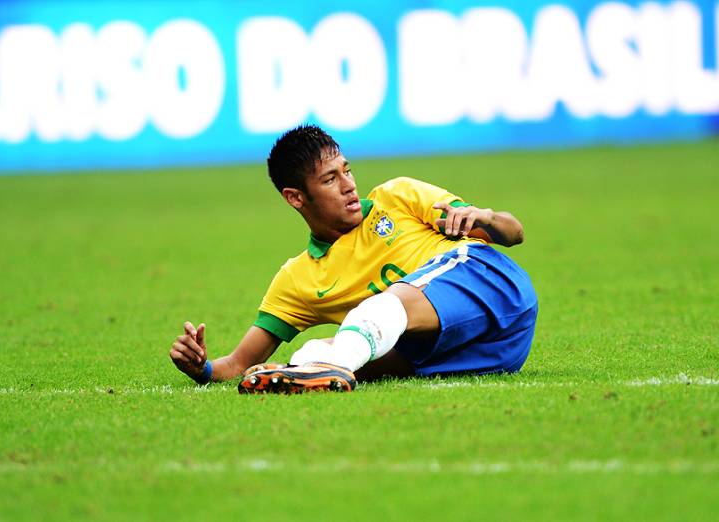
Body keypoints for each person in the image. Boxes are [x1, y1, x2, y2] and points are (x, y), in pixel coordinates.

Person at [169, 125, 537, 393]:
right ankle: (317, 367)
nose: (348, 185)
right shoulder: (299, 279)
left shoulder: (398, 197)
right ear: (296, 198)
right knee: (306, 356)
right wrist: (201, 368)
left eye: (347, 170)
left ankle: (332, 366)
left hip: (492, 283)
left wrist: (485, 217)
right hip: (486, 353)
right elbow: (236, 365)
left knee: (375, 312)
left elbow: (514, 233)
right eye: (330, 179)